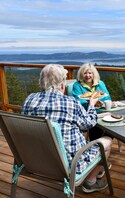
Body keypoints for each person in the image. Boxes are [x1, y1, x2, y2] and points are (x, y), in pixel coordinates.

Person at [21, 64, 112, 194]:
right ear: (62, 84)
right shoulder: (70, 103)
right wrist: (91, 105)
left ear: (41, 81)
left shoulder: (29, 99)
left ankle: (95, 170)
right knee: (107, 141)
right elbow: (88, 124)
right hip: (69, 164)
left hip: (35, 160)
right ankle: (90, 182)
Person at [72, 62, 111, 141]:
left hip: (102, 111)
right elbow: (78, 101)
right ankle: (97, 143)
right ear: (81, 74)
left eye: (90, 73)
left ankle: (102, 142)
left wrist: (99, 102)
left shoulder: (101, 83)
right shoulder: (77, 85)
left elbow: (108, 98)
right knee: (97, 127)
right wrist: (91, 103)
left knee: (111, 125)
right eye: (85, 73)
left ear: (94, 74)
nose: (87, 75)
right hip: (86, 113)